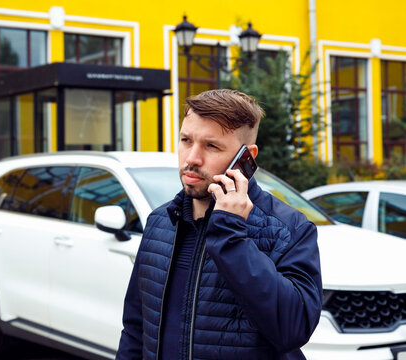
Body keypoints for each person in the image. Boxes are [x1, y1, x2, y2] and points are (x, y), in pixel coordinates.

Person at [116, 89, 322, 360]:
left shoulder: (290, 229)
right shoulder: (160, 221)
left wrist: (231, 235)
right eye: (186, 140)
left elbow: (293, 330)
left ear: (246, 158)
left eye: (211, 146)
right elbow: (135, 329)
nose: (192, 158)